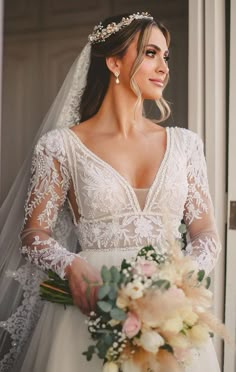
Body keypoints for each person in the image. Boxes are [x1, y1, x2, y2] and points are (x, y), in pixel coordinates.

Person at [0, 12, 222, 372]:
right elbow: (34, 234)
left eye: (166, 56)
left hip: (171, 314)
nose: (164, 66)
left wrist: (179, 283)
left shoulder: (186, 145)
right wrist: (71, 265)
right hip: (86, 311)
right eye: (151, 53)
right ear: (115, 61)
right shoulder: (59, 146)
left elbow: (205, 233)